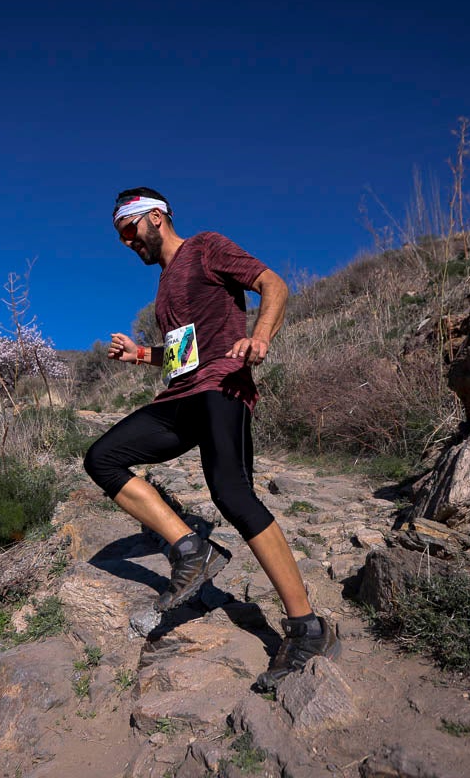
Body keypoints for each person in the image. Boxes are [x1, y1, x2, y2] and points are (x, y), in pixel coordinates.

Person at [83, 187, 340, 690]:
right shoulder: (164, 289)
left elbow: (273, 284)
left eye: (128, 231)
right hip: (181, 394)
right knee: (103, 458)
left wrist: (261, 336)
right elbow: (183, 354)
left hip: (223, 383)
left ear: (155, 218)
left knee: (233, 495)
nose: (126, 242)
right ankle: (189, 550)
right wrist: (141, 356)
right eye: (120, 236)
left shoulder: (206, 246)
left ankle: (307, 627)